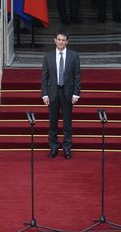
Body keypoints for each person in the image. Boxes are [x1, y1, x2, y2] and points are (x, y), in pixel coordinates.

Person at [41, 31, 81, 160]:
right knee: (53, 123)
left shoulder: (74, 56)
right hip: (53, 93)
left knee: (67, 123)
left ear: (67, 41)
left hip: (67, 93)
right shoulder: (48, 56)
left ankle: (67, 148)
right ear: (55, 40)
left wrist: (76, 93)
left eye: (63, 40)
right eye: (59, 39)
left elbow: (77, 76)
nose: (61, 42)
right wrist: (44, 94)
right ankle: (53, 147)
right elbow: (44, 77)